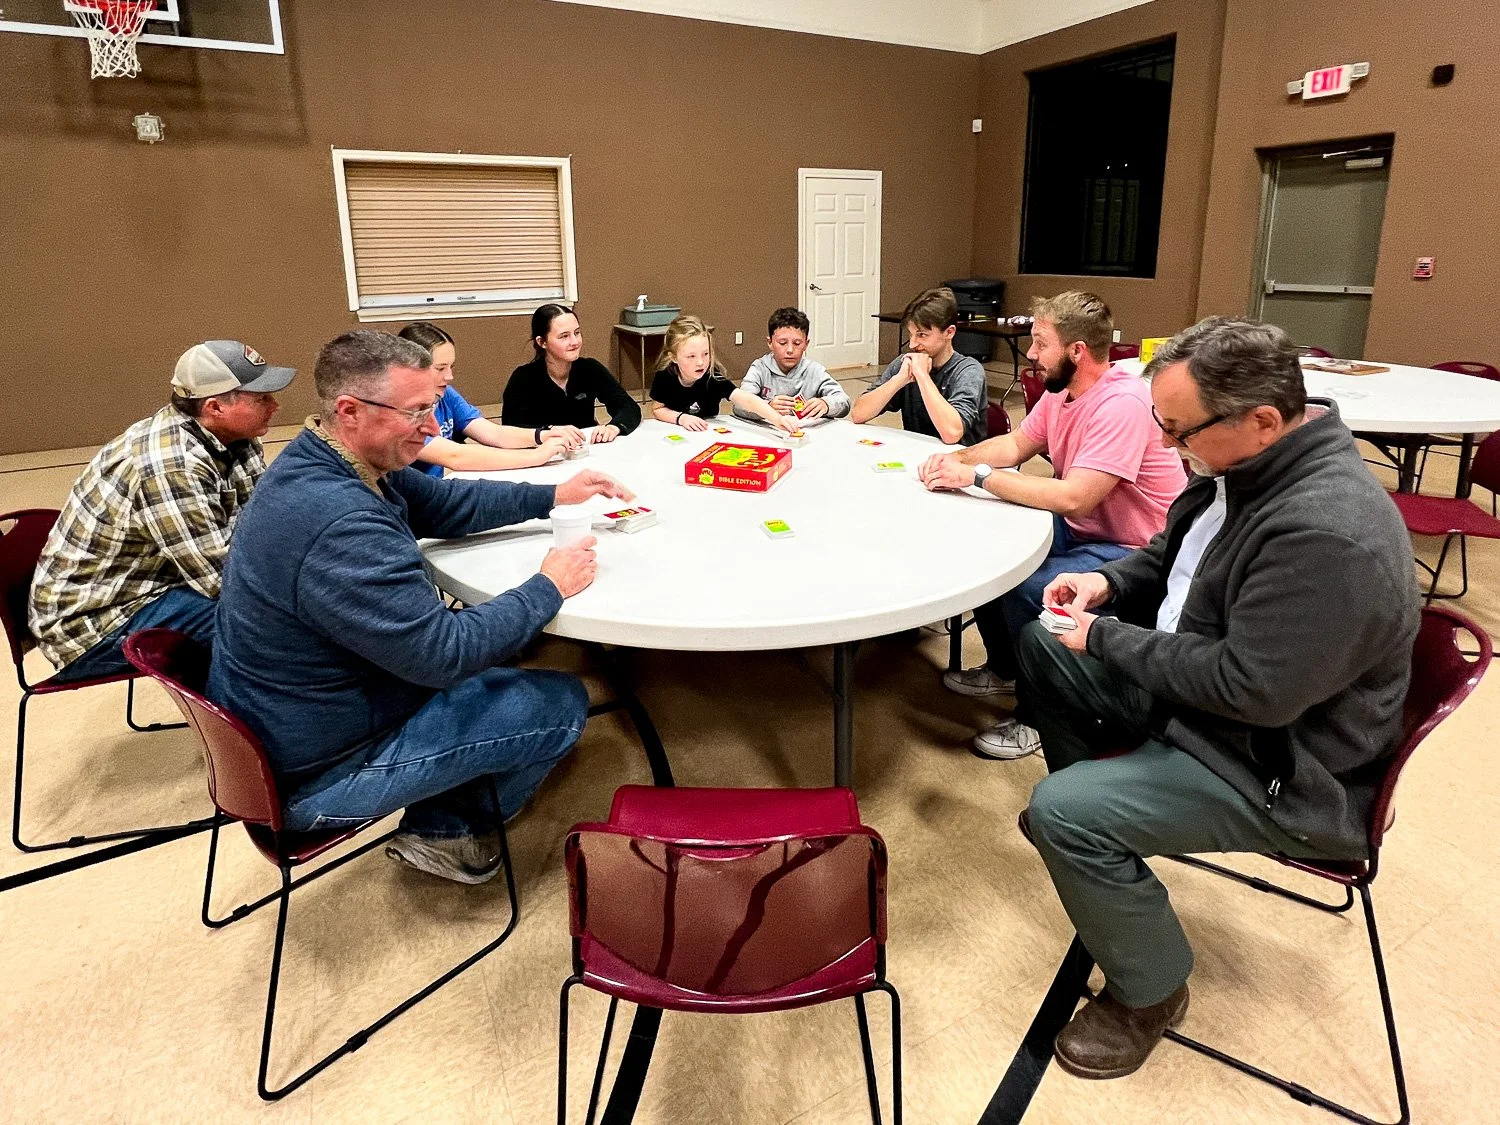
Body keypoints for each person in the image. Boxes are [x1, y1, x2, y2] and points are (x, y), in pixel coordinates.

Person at [1013, 317, 1419, 1081]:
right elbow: (1175, 556)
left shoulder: (1325, 531)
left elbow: (1248, 689)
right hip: (1209, 710)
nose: (1168, 445)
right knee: (1042, 645)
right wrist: (1109, 583)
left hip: (1279, 765)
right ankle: (1103, 827)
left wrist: (1106, 638)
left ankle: (1150, 990)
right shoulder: (1244, 465)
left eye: (1180, 430)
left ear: (1261, 419)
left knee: (1064, 811)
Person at [208, 330, 634, 885]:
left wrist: (553, 496)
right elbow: (443, 655)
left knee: (507, 652)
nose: (433, 428)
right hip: (315, 772)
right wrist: (548, 585)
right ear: (350, 410)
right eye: (415, 413)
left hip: (299, 717)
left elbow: (443, 502)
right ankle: (446, 829)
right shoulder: (341, 522)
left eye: (432, 407)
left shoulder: (329, 458)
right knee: (558, 702)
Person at [918, 292, 1187, 760]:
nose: (1031, 353)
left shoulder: (1122, 403)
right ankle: (1007, 670)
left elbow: (1074, 497)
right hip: (1084, 526)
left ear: (1077, 351)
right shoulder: (1062, 390)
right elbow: (1016, 445)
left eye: (1041, 343)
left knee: (1031, 588)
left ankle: (1038, 713)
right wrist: (958, 459)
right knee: (989, 554)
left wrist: (978, 476)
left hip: (1134, 546)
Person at [29, 340, 294, 682]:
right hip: (95, 624)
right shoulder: (171, 466)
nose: (275, 405)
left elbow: (264, 522)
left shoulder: (236, 437)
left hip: (160, 582)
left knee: (288, 607)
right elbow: (219, 580)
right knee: (273, 627)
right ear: (215, 407)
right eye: (261, 398)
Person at [397, 322, 574, 474]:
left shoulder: (445, 394)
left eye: (451, 367)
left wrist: (543, 435)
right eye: (440, 368)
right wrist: (536, 456)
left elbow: (494, 434)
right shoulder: (397, 412)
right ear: (411, 369)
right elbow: (455, 456)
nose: (449, 376)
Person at [850, 287, 987, 446]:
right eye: (911, 334)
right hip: (917, 453)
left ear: (949, 332)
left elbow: (951, 434)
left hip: (959, 457)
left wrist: (922, 376)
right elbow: (858, 414)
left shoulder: (968, 370)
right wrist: (899, 379)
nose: (912, 344)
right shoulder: (905, 363)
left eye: (922, 335)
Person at [501, 304, 641, 442]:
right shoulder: (523, 378)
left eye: (577, 333)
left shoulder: (589, 368)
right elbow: (510, 428)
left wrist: (614, 427)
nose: (575, 342)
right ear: (542, 342)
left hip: (586, 446)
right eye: (564, 336)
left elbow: (627, 406)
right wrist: (548, 431)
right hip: (544, 450)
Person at [649, 315, 796, 433]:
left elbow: (747, 400)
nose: (700, 362)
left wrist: (778, 419)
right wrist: (681, 418)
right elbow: (658, 409)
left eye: (705, 354)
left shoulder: (713, 377)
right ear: (673, 357)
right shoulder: (664, 377)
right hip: (675, 430)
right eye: (691, 356)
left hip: (707, 431)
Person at [734, 307, 851, 424]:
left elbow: (844, 402)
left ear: (806, 344)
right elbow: (739, 405)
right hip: (769, 430)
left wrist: (826, 404)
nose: (790, 350)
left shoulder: (814, 370)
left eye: (797, 343)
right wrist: (767, 407)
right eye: (782, 343)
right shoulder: (760, 368)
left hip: (806, 431)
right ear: (770, 343)